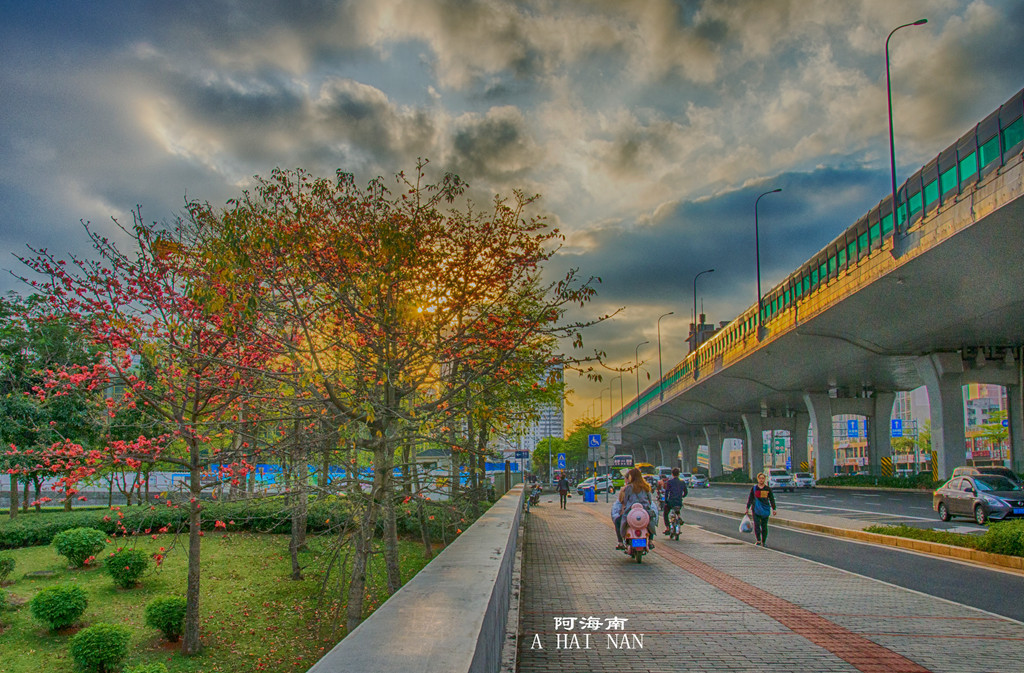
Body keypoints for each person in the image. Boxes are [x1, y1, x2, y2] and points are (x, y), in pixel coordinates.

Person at [617, 468, 657, 548]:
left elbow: (625, 501)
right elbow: (650, 500)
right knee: (651, 520)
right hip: (645, 512)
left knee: (618, 521)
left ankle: (621, 542)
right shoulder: (646, 487)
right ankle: (651, 541)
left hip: (630, 512)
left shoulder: (628, 488)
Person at [745, 472, 777, 547]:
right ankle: (758, 540)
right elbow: (750, 498)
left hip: (765, 509)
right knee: (757, 525)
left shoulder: (767, 489)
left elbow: (771, 499)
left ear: (764, 479)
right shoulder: (754, 488)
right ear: (758, 479)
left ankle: (764, 541)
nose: (761, 480)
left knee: (764, 526)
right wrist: (747, 508)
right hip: (756, 509)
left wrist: (774, 509)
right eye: (760, 478)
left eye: (763, 478)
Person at [662, 467, 688, 534]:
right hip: (679, 501)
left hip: (671, 502)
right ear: (679, 474)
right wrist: (681, 496)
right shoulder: (682, 482)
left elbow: (667, 492)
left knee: (665, 513)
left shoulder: (670, 482)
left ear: (672, 474)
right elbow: (686, 492)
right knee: (677, 509)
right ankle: (679, 517)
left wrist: (666, 501)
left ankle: (667, 528)